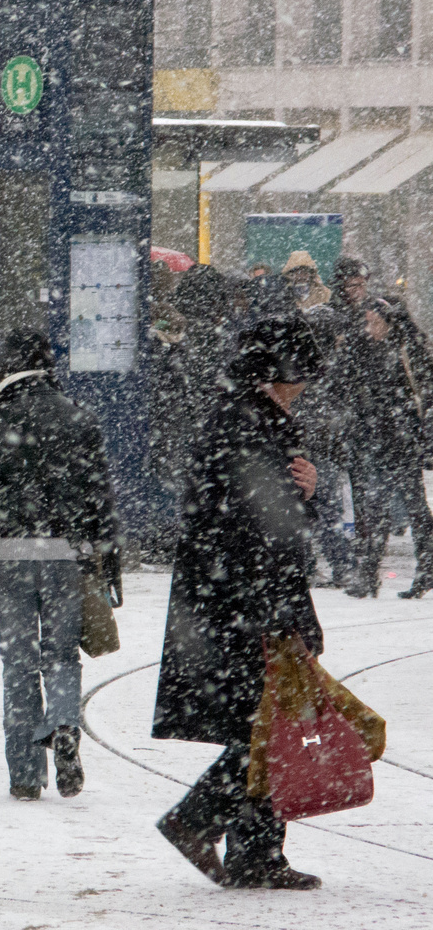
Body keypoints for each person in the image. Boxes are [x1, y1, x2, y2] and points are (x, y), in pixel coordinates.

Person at [154, 316, 325, 890]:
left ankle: (257, 853)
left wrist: (305, 490)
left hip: (232, 598)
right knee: (268, 728)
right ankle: (199, 820)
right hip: (248, 602)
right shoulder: (250, 426)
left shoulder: (246, 419)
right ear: (276, 373)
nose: (303, 386)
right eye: (299, 374)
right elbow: (260, 527)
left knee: (264, 725)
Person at [0, 329, 120, 801]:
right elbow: (100, 498)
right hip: (64, 555)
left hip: (5, 556)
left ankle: (24, 773)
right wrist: (110, 562)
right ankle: (63, 725)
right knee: (61, 655)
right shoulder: (80, 418)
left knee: (17, 662)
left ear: (4, 368)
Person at [336, 294, 433, 598]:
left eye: (373, 322)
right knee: (377, 509)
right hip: (376, 440)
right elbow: (348, 385)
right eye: (366, 322)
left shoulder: (408, 350)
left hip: (403, 441)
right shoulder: (365, 348)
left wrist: (422, 438)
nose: (368, 328)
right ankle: (370, 575)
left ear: (389, 322)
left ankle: (425, 569)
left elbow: (425, 394)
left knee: (412, 508)